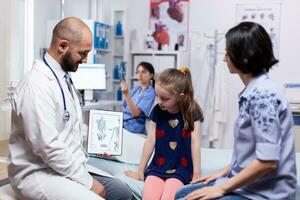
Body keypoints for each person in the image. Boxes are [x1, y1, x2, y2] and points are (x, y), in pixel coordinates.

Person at [8, 17, 132, 200]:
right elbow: (48, 147)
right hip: (39, 173)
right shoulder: (37, 85)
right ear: (63, 46)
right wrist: (89, 182)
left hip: (64, 165)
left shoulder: (62, 78)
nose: (85, 59)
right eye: (82, 53)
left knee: (122, 192)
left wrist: (98, 143)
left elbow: (69, 125)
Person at [175, 21, 297, 200]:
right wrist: (224, 172)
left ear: (244, 59)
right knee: (182, 193)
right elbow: (248, 153)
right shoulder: (252, 91)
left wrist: (221, 188)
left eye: (228, 53)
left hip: (265, 194)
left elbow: (267, 162)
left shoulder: (263, 96)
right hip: (250, 187)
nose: (225, 58)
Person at [125, 67, 204, 200]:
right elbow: (150, 140)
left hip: (181, 168)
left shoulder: (192, 111)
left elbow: (195, 142)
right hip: (158, 166)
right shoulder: (157, 110)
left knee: (168, 196)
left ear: (180, 97)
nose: (159, 101)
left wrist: (196, 173)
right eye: (157, 96)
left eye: (165, 98)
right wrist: (140, 170)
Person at [122, 61, 156, 135]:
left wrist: (126, 94)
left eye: (143, 72)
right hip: (125, 121)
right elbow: (125, 107)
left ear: (151, 75)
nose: (140, 75)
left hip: (134, 125)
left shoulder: (150, 93)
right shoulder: (136, 89)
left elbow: (136, 114)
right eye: (138, 72)